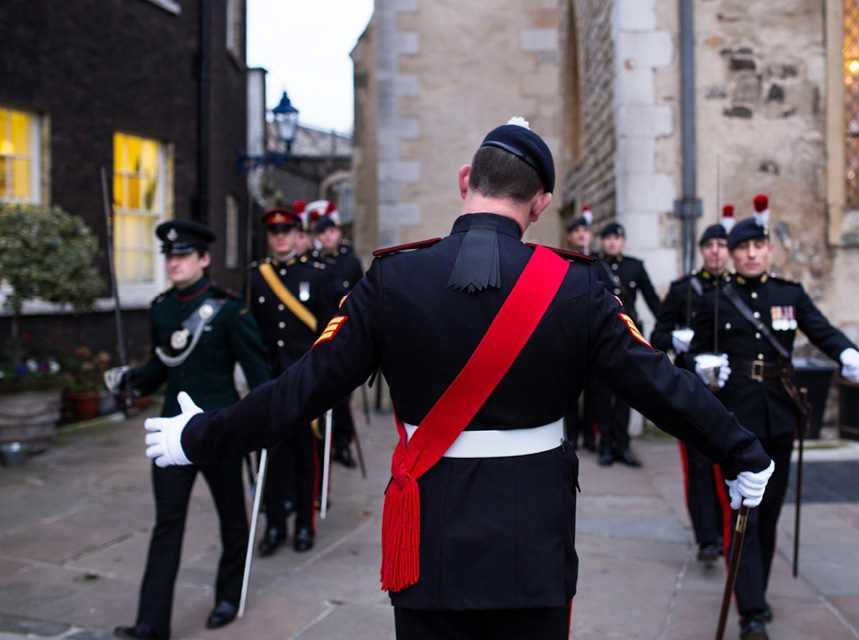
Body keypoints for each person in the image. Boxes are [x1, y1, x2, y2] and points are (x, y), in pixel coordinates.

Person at [142, 118, 774, 640]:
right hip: (533, 544)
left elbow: (298, 392)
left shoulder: (391, 279)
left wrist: (198, 437)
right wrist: (741, 450)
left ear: (466, 180)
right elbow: (661, 386)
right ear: (541, 203)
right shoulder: (578, 287)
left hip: (429, 539)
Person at [686, 196, 859, 640]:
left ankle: (756, 595)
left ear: (769, 250)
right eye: (742, 246)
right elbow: (688, 348)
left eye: (758, 246)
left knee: (767, 517)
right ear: (731, 252)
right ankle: (751, 612)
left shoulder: (789, 294)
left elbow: (819, 327)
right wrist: (703, 363)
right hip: (735, 418)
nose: (750, 253)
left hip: (781, 416)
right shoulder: (714, 297)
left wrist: (845, 350)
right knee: (744, 512)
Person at [106, 220, 270, 640]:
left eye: (183, 256)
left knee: (232, 517)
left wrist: (264, 421)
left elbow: (258, 374)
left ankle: (228, 597)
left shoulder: (229, 309)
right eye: (170, 256)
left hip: (218, 430)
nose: (174, 263)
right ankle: (151, 623)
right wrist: (134, 380)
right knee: (167, 523)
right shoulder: (162, 308)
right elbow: (163, 366)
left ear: (204, 259)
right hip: (170, 433)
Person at [248, 206, 333, 555]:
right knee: (271, 456)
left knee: (303, 456)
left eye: (286, 231)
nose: (280, 237)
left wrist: (325, 378)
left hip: (303, 381)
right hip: (269, 381)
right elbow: (250, 331)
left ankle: (303, 526)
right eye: (274, 232)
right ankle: (275, 526)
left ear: (296, 234)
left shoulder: (315, 274)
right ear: (269, 237)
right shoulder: (256, 277)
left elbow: (330, 329)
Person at [650, 221, 730, 564]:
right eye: (709, 244)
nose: (715, 250)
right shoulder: (684, 290)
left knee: (730, 464)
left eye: (721, 244)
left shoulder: (739, 290)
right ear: (701, 250)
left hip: (732, 389)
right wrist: (675, 340)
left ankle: (730, 530)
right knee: (698, 465)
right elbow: (657, 336)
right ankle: (707, 538)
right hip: (695, 389)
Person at [588, 222, 662, 467]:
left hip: (629, 335)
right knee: (601, 393)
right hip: (601, 335)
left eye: (616, 238)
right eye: (607, 238)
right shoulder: (593, 264)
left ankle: (623, 445)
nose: (611, 242)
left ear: (623, 241)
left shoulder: (635, 266)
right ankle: (606, 445)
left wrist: (668, 324)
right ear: (602, 241)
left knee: (626, 393)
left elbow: (652, 299)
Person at [314, 212, 364, 469]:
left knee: (342, 395)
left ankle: (343, 444)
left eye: (331, 232)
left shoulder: (350, 264)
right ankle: (323, 440)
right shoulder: (313, 263)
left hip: (344, 336)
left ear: (339, 234)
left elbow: (361, 298)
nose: (328, 236)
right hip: (318, 335)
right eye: (323, 233)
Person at [561, 207, 595, 451]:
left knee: (594, 390)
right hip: (571, 334)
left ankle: (591, 437)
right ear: (570, 236)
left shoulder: (597, 263)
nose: (581, 235)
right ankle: (571, 435)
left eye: (585, 230)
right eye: (576, 231)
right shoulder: (562, 261)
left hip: (594, 334)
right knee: (570, 389)